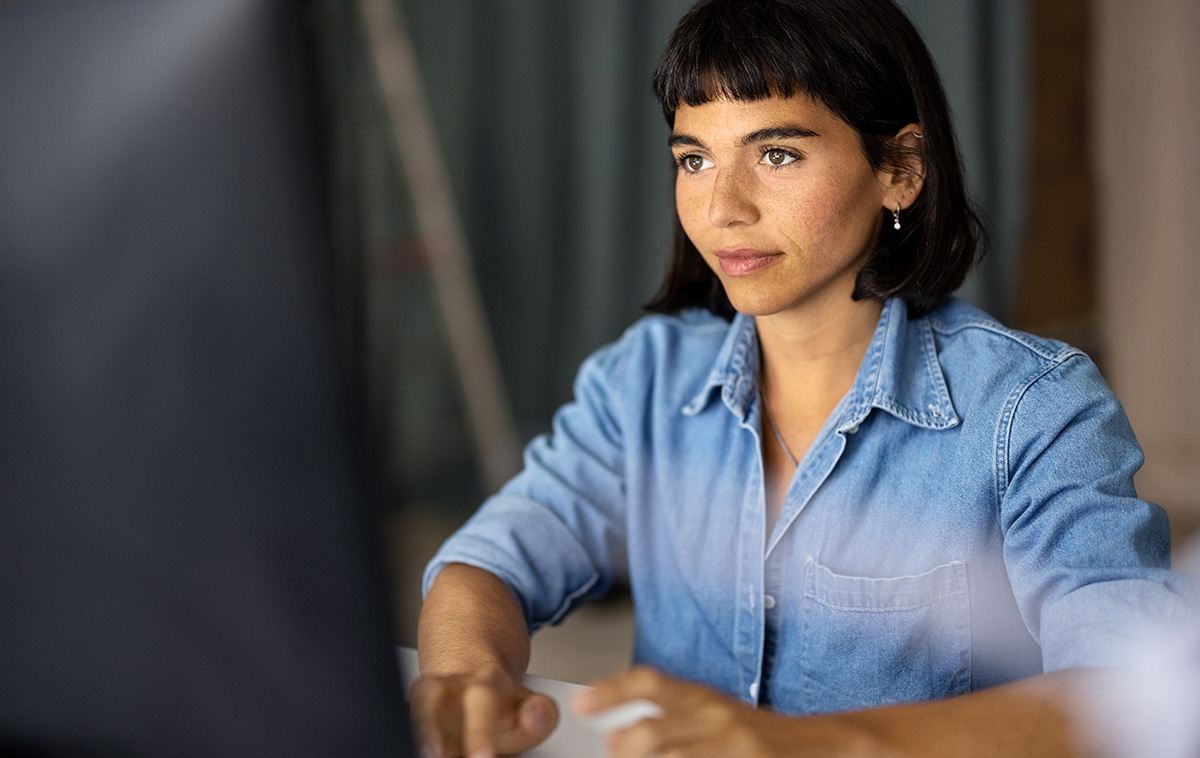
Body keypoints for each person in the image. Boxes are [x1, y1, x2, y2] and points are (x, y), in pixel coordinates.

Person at [411, 0, 1193, 756]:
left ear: (901, 171)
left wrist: (799, 747)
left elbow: (1129, 702)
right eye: (695, 158)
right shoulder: (643, 381)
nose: (723, 207)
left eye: (777, 153)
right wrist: (466, 682)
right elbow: (489, 563)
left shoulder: (1034, 407)